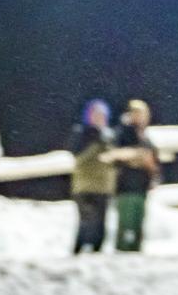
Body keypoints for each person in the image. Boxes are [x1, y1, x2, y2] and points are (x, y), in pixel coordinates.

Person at [68, 98, 117, 254]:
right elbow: (77, 157)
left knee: (101, 223)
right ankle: (78, 251)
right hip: (84, 186)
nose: (99, 118)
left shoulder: (110, 136)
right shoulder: (81, 133)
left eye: (102, 115)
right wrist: (96, 143)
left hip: (103, 187)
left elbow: (114, 159)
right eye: (96, 114)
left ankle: (97, 252)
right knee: (87, 221)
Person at [112, 98, 160, 252]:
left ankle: (136, 253)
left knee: (138, 225)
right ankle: (121, 252)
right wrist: (139, 156)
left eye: (143, 114)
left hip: (141, 186)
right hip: (126, 186)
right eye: (137, 113)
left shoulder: (146, 137)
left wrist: (153, 176)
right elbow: (115, 154)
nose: (140, 117)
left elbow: (153, 160)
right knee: (126, 225)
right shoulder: (123, 133)